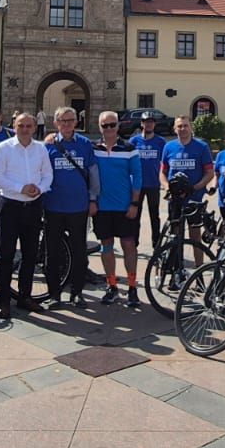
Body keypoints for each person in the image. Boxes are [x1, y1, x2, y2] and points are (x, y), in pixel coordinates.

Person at [0, 112, 52, 319]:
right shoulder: (4, 148)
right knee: (5, 255)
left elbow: (48, 174)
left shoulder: (41, 149)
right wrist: (20, 188)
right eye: (21, 126)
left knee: (30, 254)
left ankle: (25, 297)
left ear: (34, 128)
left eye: (28, 126)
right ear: (14, 126)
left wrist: (39, 189)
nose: (25, 129)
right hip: (10, 206)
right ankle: (4, 301)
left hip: (33, 206)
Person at [44, 106, 98, 308]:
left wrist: (93, 199)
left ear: (76, 122)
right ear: (56, 123)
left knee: (79, 251)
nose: (66, 124)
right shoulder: (48, 146)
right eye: (62, 121)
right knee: (53, 253)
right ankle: (54, 294)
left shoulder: (84, 144)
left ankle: (77, 292)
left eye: (70, 120)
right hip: (53, 206)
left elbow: (93, 174)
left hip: (78, 206)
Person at [93, 111, 143, 307]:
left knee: (129, 246)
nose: (109, 129)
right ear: (99, 127)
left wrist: (134, 203)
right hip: (102, 207)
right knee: (106, 246)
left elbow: (138, 177)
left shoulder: (129, 148)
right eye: (105, 126)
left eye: (112, 125)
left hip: (124, 207)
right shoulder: (94, 148)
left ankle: (132, 287)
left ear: (118, 126)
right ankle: (112, 285)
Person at [162, 115, 214, 266]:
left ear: (191, 128)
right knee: (175, 234)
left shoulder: (201, 147)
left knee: (195, 236)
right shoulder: (168, 147)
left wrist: (195, 187)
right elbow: (162, 172)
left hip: (194, 198)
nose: (182, 129)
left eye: (185, 126)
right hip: (175, 198)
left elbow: (209, 173)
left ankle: (199, 272)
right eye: (179, 126)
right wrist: (167, 187)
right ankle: (176, 269)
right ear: (174, 129)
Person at [129, 112, 167, 247]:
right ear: (141, 123)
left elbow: (165, 162)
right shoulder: (134, 141)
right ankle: (134, 242)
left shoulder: (160, 142)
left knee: (154, 215)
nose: (148, 124)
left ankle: (156, 243)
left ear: (154, 124)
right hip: (137, 185)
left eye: (151, 122)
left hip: (153, 183)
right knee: (135, 215)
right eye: (146, 121)